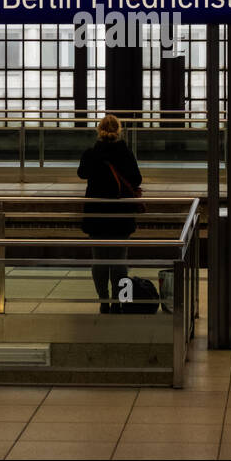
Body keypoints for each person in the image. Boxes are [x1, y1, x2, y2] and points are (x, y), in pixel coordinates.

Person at [77, 114, 142, 314]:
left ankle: (103, 299)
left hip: (97, 215)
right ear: (119, 130)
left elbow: (82, 173)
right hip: (120, 215)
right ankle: (118, 300)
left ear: (99, 130)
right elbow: (137, 179)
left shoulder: (91, 153)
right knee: (120, 259)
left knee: (99, 259)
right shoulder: (126, 153)